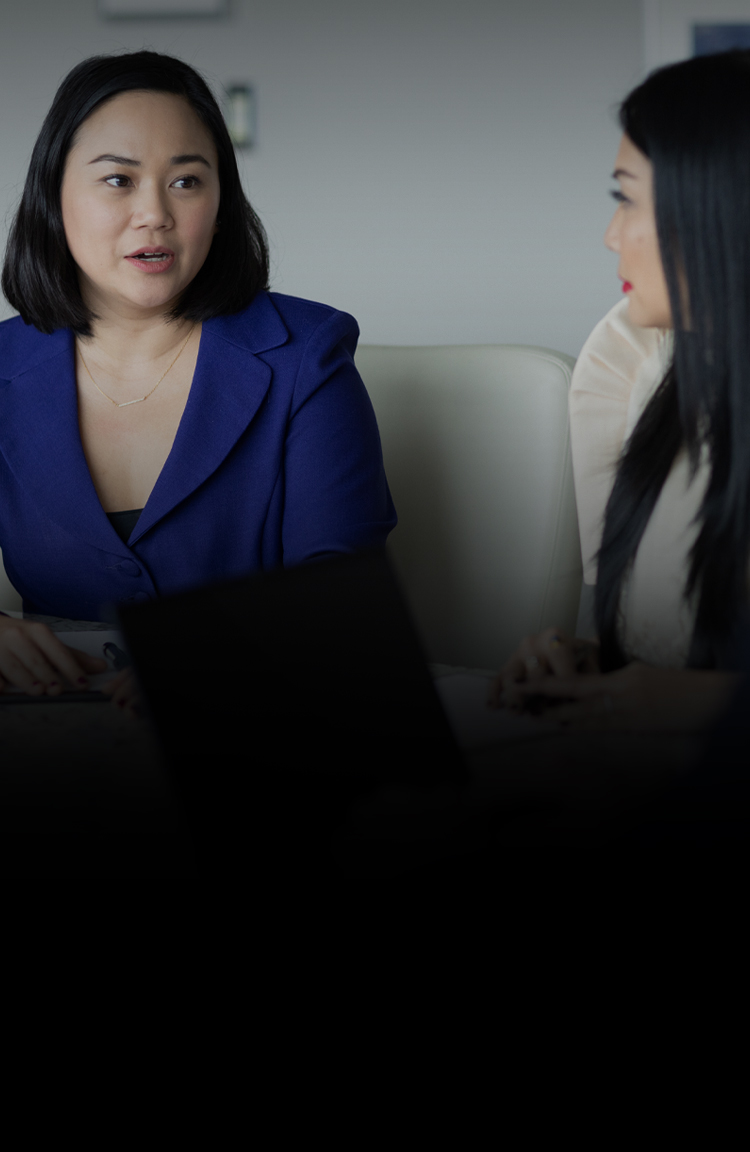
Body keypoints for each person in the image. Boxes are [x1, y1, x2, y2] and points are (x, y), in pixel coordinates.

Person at [0, 51, 396, 708]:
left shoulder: (307, 353)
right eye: (119, 180)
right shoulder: (5, 367)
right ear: (52, 194)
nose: (155, 213)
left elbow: (342, 603)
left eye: (186, 182)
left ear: (220, 200)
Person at [490, 50, 750, 733]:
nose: (611, 236)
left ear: (718, 205)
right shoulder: (658, 385)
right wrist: (598, 666)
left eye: (627, 199)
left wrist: (694, 709)